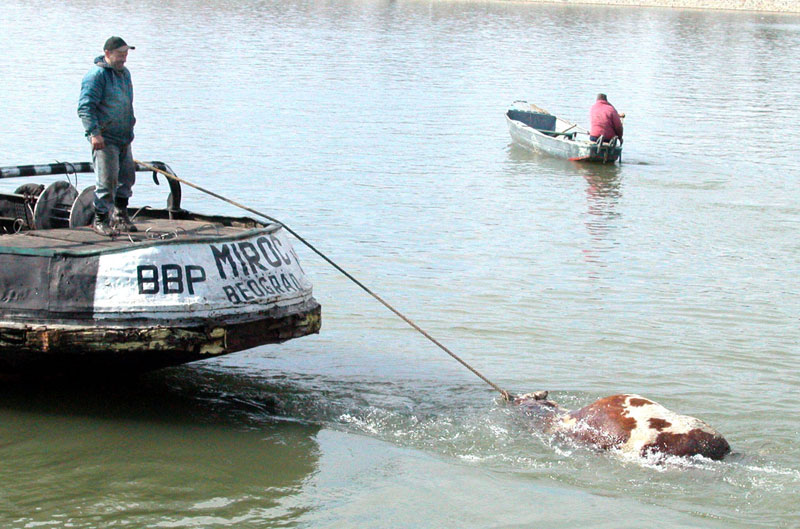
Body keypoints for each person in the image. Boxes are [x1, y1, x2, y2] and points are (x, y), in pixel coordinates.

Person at [77, 36, 138, 236]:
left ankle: (120, 216)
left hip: (124, 138)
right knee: (107, 181)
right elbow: (85, 108)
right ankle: (100, 219)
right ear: (107, 53)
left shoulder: (124, 74)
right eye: (120, 55)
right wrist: (94, 134)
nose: (124, 59)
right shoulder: (96, 76)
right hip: (105, 139)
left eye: (125, 54)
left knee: (127, 178)